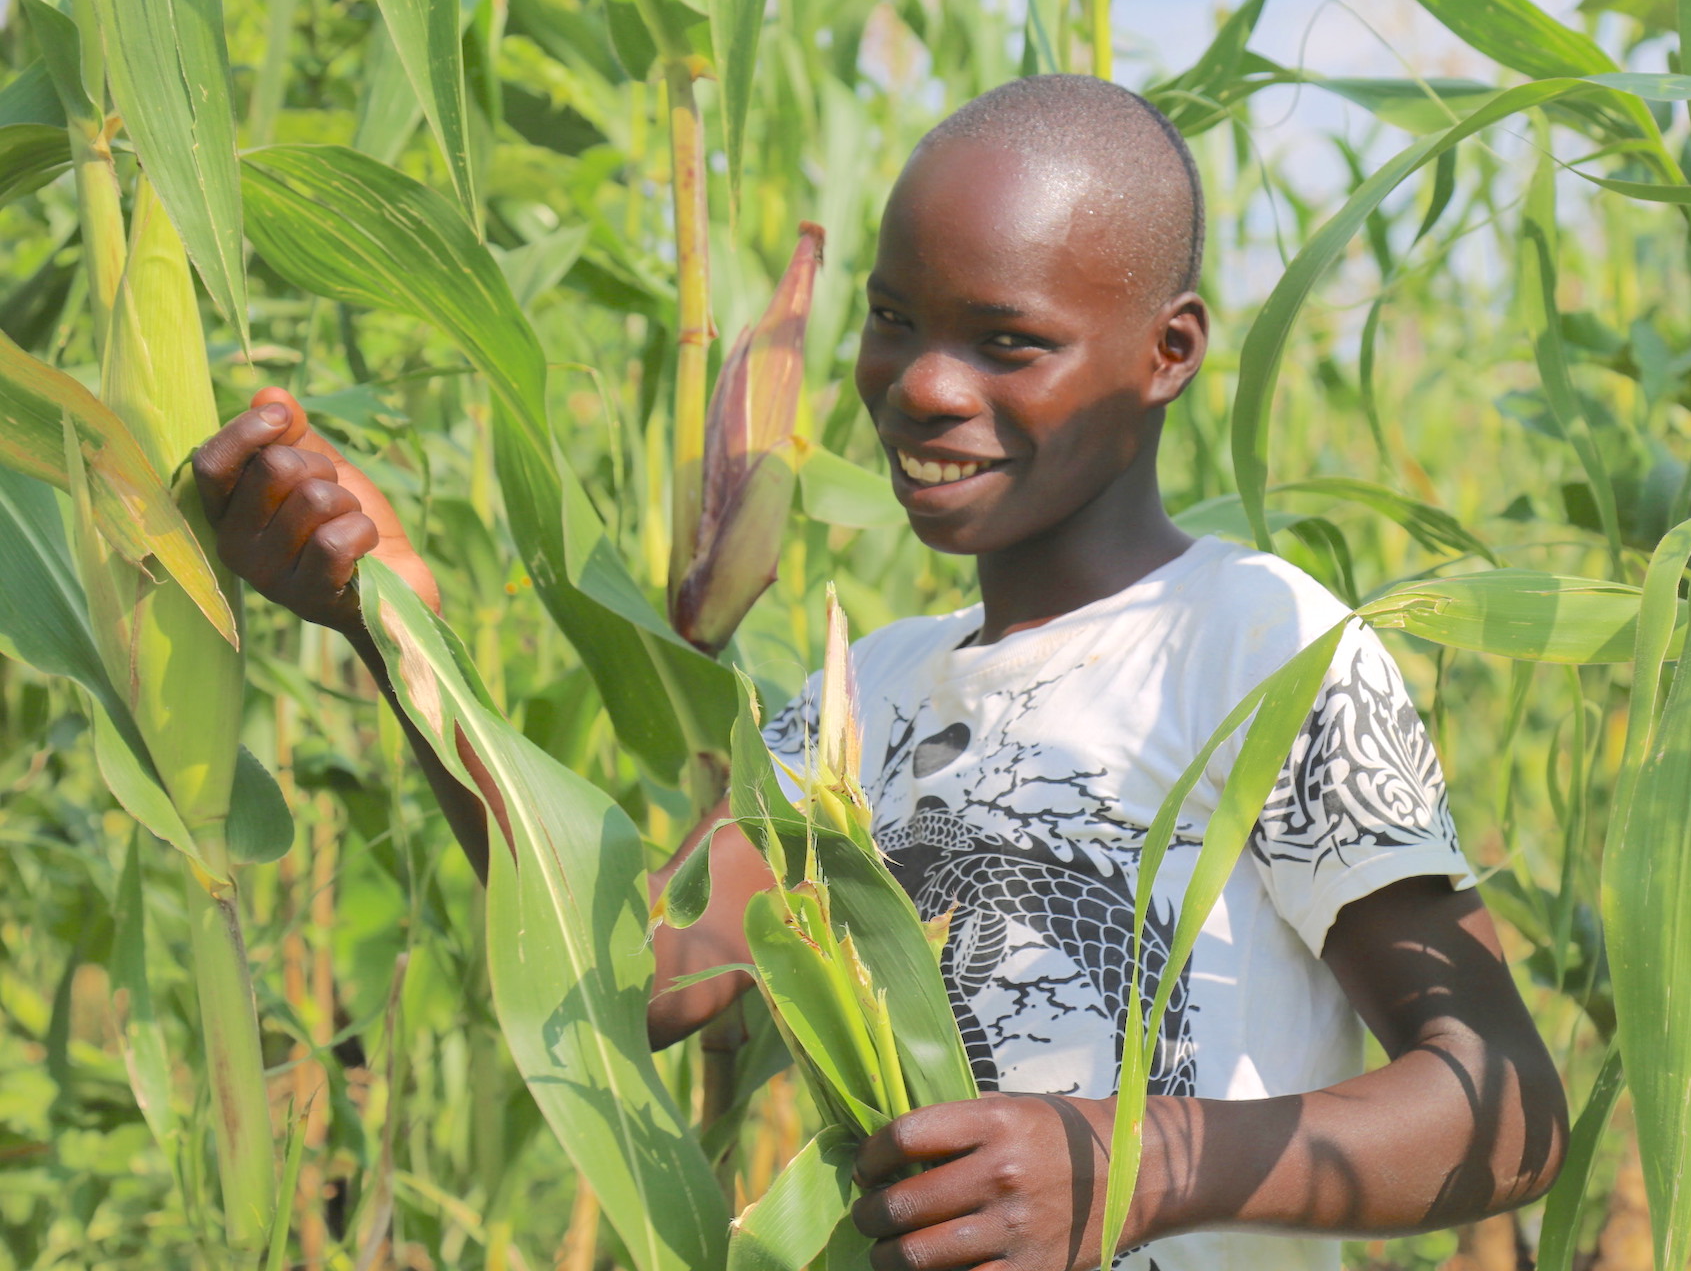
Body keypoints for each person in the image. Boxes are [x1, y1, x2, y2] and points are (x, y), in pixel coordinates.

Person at [194, 74, 1566, 1271]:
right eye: (895, 319)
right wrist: (401, 632)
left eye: (1005, 340)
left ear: (1169, 353)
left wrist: (1132, 1164)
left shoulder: (1263, 647)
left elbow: (1504, 1101)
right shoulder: (875, 700)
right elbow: (654, 980)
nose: (919, 385)